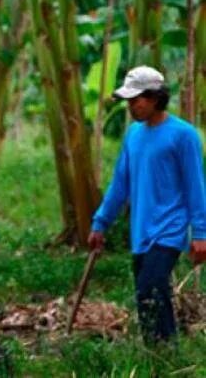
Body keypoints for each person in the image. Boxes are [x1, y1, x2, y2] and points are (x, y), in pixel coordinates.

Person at [88, 65, 206, 343]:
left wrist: (201, 233)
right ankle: (155, 354)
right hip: (141, 231)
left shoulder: (183, 135)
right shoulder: (133, 135)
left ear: (155, 97)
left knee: (150, 287)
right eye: (128, 101)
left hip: (169, 229)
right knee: (145, 296)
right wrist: (100, 222)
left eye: (136, 99)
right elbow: (120, 183)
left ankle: (167, 350)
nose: (131, 106)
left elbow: (195, 185)